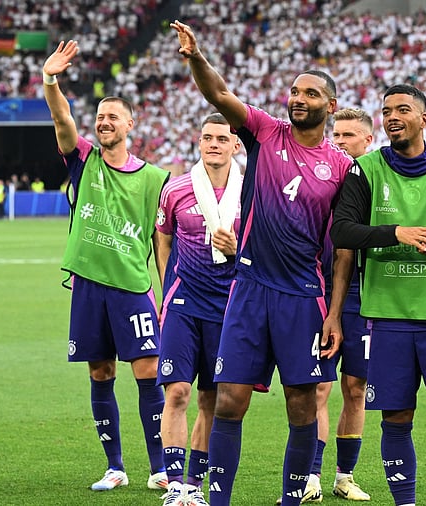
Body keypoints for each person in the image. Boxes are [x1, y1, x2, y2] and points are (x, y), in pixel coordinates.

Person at [169, 21, 353, 506]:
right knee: (229, 400)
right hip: (248, 289)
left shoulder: (340, 168)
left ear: (329, 107)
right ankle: (217, 500)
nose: (298, 98)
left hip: (302, 297)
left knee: (300, 406)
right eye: (294, 91)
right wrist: (196, 57)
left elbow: (341, 252)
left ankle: (291, 499)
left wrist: (334, 314)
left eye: (310, 93)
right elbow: (221, 95)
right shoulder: (266, 132)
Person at [330, 84, 426, 506]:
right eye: (386, 111)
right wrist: (396, 232)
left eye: (402, 109)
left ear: (424, 118)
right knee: (396, 418)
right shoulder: (364, 171)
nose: (392, 117)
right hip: (388, 318)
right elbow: (342, 231)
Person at [42, 39, 170, 492]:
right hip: (89, 288)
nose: (103, 122)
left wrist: (167, 294)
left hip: (132, 288)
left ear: (131, 125)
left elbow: (162, 242)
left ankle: (160, 468)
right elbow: (62, 118)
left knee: (148, 373)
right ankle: (115, 466)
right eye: (99, 116)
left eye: (112, 116)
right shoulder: (83, 160)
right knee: (101, 373)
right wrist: (50, 79)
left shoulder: (156, 178)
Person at [285, 108, 374, 504]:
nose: (339, 141)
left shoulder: (377, 184)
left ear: (368, 141)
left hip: (366, 299)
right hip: (320, 294)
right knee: (318, 385)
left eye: (349, 136)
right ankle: (310, 477)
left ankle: (345, 476)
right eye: (336, 135)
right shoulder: (322, 182)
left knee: (356, 388)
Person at [154, 113, 242, 506]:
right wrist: (167, 284)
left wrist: (236, 251)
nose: (213, 145)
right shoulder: (176, 189)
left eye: (222, 139)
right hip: (184, 304)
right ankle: (174, 484)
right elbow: (163, 237)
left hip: (229, 308)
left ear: (235, 145)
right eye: (207, 138)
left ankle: (194, 484)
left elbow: (263, 249)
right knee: (177, 392)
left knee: (212, 398)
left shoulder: (252, 191)